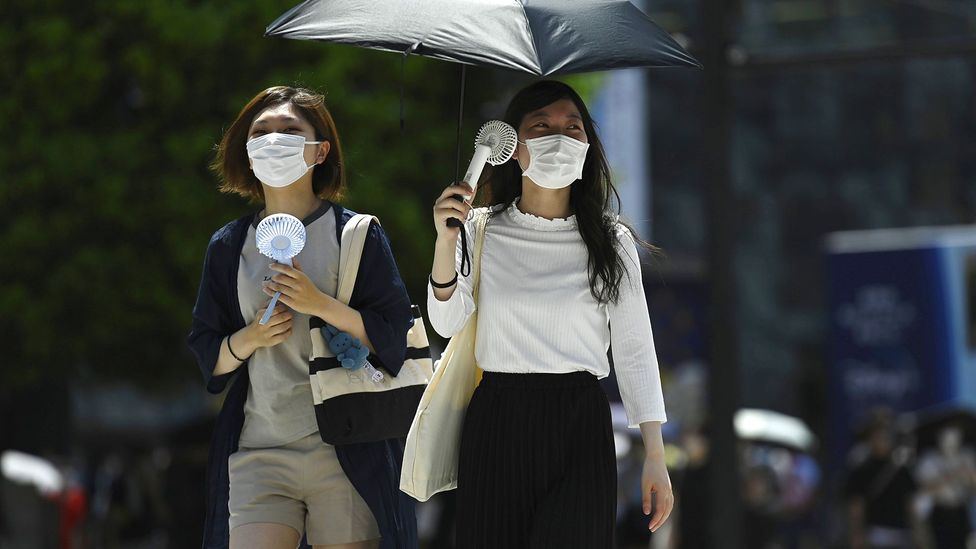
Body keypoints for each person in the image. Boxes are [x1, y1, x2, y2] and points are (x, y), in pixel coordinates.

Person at [427, 80, 672, 548]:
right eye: (541, 125)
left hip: (580, 420)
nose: (559, 136)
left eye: (572, 127)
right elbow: (446, 324)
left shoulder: (611, 241)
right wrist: (445, 239)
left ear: (587, 146)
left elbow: (636, 349)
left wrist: (655, 454)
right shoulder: (479, 229)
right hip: (497, 417)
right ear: (511, 148)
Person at [188, 86, 417, 549]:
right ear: (248, 154)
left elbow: (395, 339)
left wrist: (321, 305)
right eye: (261, 132)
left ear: (320, 151)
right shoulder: (229, 246)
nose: (274, 139)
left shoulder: (356, 234)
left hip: (346, 448)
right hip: (259, 448)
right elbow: (208, 359)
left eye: (290, 130)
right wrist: (249, 338)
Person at [844, 409, 917, 549]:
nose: (882, 440)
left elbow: (910, 504)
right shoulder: (861, 469)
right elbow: (856, 505)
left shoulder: (901, 470)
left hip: (901, 535)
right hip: (874, 536)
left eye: (886, 435)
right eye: (877, 435)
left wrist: (918, 532)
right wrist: (856, 533)